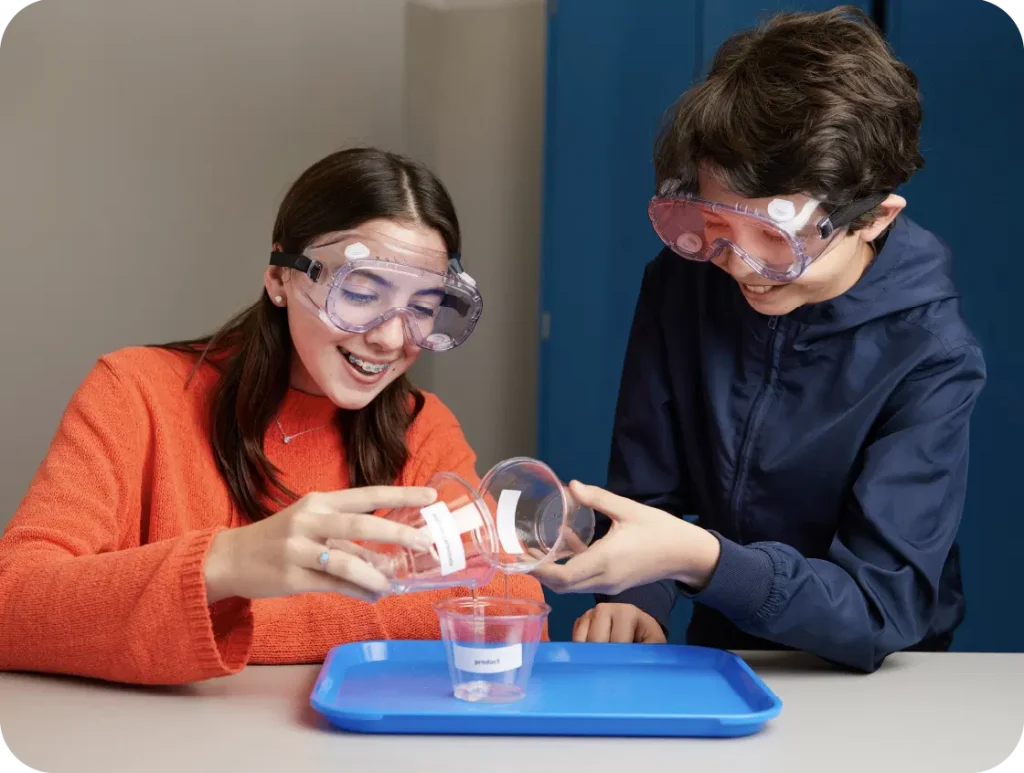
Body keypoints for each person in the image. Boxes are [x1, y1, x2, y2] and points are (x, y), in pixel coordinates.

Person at [532, 6, 986, 673]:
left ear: (873, 218)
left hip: (877, 670)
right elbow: (648, 489)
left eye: (775, 238)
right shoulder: (683, 284)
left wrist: (695, 557)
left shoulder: (930, 353)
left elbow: (878, 606)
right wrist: (640, 592)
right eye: (716, 223)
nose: (739, 264)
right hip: (729, 641)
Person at [0, 147, 544, 685]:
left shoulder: (420, 425)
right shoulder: (136, 393)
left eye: (423, 309)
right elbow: (11, 602)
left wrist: (218, 613)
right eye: (359, 290)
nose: (390, 337)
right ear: (281, 278)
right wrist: (226, 563)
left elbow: (510, 602)